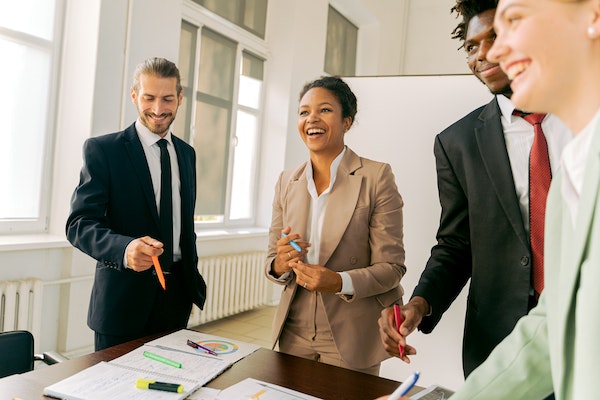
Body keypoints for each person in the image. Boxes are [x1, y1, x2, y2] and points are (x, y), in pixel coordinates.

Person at [380, 0, 600, 398]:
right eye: (471, 46)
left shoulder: (583, 135)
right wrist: (420, 302)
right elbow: (456, 242)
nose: (487, 54)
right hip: (501, 338)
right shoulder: (457, 142)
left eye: (504, 31)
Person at [265, 76, 406, 375]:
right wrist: (281, 262)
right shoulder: (285, 182)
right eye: (304, 112)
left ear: (347, 122)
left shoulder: (376, 176)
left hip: (352, 330)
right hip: (295, 329)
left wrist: (339, 282)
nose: (311, 119)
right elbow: (272, 265)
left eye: (325, 110)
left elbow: (392, 267)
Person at [66, 57, 207, 351]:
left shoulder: (187, 154)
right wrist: (125, 248)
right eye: (149, 98)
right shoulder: (103, 150)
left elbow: (183, 225)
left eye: (168, 98)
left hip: (177, 299)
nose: (158, 109)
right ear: (134, 96)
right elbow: (79, 225)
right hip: (122, 305)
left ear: (180, 98)